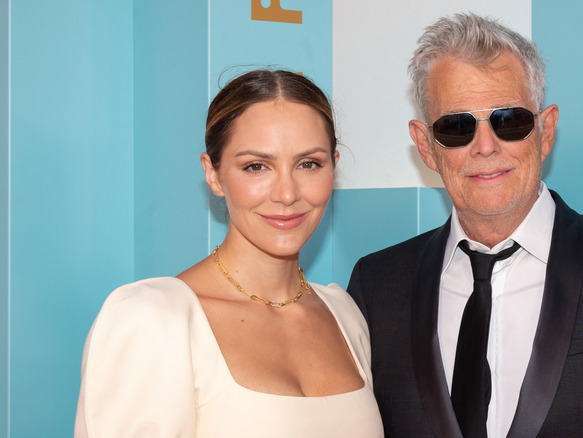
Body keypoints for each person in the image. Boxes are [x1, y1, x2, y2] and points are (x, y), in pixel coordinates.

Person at [347, 13, 583, 438]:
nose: (485, 147)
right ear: (426, 146)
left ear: (545, 131)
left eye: (508, 120)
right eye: (457, 127)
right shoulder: (377, 286)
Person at [75, 70, 383, 437]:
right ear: (214, 174)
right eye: (256, 166)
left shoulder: (345, 315)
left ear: (333, 165)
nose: (287, 194)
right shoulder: (155, 319)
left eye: (308, 164)